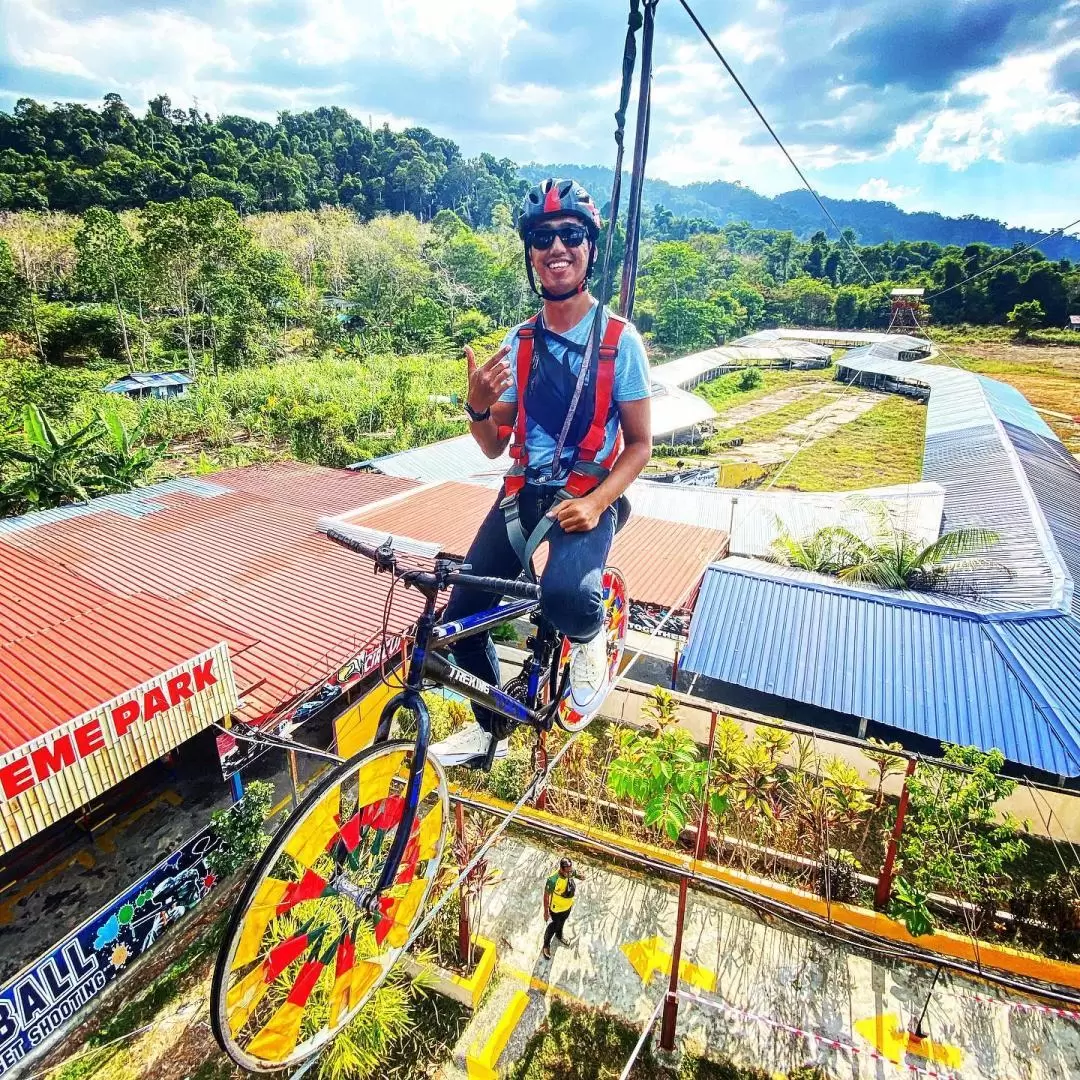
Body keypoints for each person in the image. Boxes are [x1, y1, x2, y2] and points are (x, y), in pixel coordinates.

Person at [430, 178, 652, 767]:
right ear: (531, 253)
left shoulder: (619, 342)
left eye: (571, 235)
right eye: (544, 237)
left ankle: (589, 640)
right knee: (459, 623)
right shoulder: (520, 341)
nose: (558, 247)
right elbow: (491, 444)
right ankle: (490, 730)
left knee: (568, 598)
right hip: (521, 496)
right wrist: (476, 405)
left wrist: (599, 503)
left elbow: (639, 445)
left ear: (589, 249)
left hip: (585, 495)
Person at [542, 856, 579, 959]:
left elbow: (577, 874)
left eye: (570, 871)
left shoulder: (570, 872)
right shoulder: (553, 879)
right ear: (561, 869)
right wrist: (546, 912)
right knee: (553, 927)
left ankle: (559, 935)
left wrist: (580, 876)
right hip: (556, 909)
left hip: (567, 906)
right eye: (567, 872)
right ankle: (546, 945)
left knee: (562, 923)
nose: (569, 874)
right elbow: (546, 896)